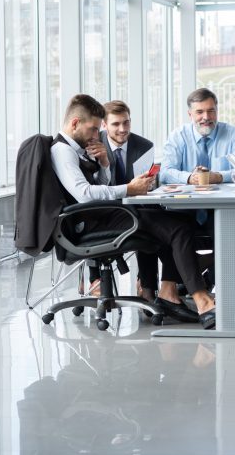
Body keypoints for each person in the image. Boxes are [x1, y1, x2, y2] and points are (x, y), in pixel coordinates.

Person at [50, 94, 216, 327]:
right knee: (175, 227)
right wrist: (128, 188)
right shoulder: (63, 151)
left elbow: (99, 185)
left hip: (103, 215)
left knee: (177, 222)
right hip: (92, 222)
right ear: (76, 123)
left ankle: (170, 293)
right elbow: (84, 194)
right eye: (94, 128)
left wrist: (105, 164)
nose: (96, 134)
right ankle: (200, 300)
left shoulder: (77, 148)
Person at [83, 100, 157, 300]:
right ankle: (94, 278)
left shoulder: (144, 146)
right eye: (116, 124)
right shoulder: (92, 144)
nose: (123, 129)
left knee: (150, 220)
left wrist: (149, 184)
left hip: (136, 206)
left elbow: (147, 186)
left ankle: (147, 282)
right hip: (104, 208)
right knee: (94, 214)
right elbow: (95, 187)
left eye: (126, 123)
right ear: (104, 125)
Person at [160, 88, 235, 187]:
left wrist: (218, 177)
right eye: (199, 112)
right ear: (190, 114)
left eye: (211, 111)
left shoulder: (234, 135)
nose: (206, 117)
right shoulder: (178, 136)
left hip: (226, 199)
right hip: (188, 199)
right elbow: (165, 173)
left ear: (217, 111)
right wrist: (190, 178)